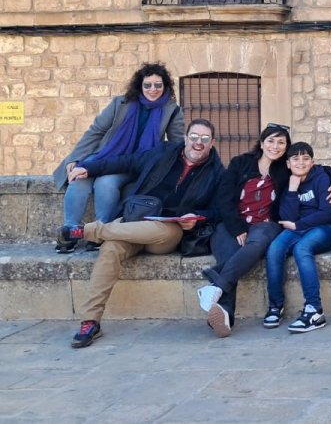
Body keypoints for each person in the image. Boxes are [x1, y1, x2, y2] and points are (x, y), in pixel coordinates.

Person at [65, 118, 224, 348]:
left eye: (205, 139)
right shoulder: (163, 153)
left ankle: (88, 231)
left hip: (168, 231)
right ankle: (91, 321)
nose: (198, 143)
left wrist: (197, 218)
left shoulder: (217, 172)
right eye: (194, 137)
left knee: (161, 231)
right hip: (133, 221)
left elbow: (218, 210)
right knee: (110, 249)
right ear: (186, 138)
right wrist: (88, 167)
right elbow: (126, 162)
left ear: (212, 143)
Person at [195, 123, 331, 337]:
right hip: (232, 223)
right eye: (271, 141)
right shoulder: (240, 163)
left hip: (265, 225)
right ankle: (225, 313)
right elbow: (224, 198)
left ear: (286, 148)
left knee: (259, 244)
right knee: (231, 256)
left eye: (281, 142)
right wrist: (236, 227)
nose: (275, 146)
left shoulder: (285, 169)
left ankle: (216, 285)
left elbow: (318, 168)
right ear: (262, 143)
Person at [54, 62, 185, 253]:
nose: (153, 89)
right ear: (140, 86)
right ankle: (69, 232)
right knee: (78, 178)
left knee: (106, 183)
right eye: (147, 85)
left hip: (134, 163)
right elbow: (96, 131)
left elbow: (176, 145)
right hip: (105, 155)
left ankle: (99, 233)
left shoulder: (171, 110)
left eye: (158, 85)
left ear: (165, 86)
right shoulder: (120, 103)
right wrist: (75, 158)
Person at [263, 142, 331, 333]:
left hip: (326, 228)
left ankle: (314, 310)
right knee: (274, 249)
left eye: (306, 158)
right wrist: (292, 189)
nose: (301, 162)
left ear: (313, 161)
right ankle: (275, 306)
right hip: (297, 227)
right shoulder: (287, 182)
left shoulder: (322, 178)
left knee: (302, 249)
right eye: (296, 159)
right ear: (288, 163)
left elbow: (326, 213)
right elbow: (287, 216)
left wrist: (299, 225)